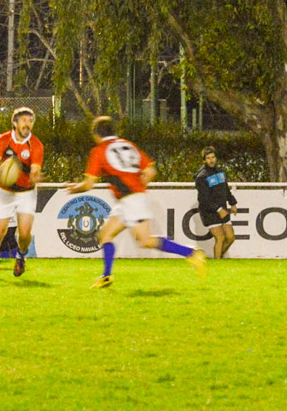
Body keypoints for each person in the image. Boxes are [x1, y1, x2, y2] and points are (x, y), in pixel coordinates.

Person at [67, 116, 207, 287]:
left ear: (96, 134)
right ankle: (106, 276)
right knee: (104, 235)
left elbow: (89, 184)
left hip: (131, 200)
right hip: (128, 200)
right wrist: (138, 186)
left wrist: (75, 188)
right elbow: (150, 171)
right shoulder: (128, 145)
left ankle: (192, 253)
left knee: (145, 240)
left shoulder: (99, 150)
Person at [0, 107, 43, 280]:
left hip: (26, 192)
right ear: (15, 123)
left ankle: (21, 256)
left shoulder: (36, 144)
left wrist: (35, 175)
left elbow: (35, 168)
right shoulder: (3, 140)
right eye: (24, 120)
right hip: (4, 192)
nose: (27, 124)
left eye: (30, 121)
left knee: (25, 233)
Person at [194, 146, 238, 259]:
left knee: (230, 237)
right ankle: (218, 262)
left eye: (213, 157)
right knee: (220, 238)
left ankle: (218, 259)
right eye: (208, 158)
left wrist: (232, 203)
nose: (211, 160)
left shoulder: (220, 172)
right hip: (209, 212)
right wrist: (219, 209)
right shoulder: (201, 176)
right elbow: (205, 199)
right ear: (204, 160)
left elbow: (226, 189)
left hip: (222, 208)